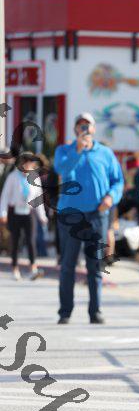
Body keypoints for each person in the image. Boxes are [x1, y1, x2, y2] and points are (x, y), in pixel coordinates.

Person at [54, 112, 124, 324]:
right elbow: (62, 169)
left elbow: (118, 181)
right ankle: (65, 312)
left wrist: (111, 197)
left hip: (96, 215)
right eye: (80, 125)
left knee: (95, 265)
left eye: (87, 125)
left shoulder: (105, 153)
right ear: (75, 129)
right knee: (68, 265)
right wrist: (77, 149)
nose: (84, 128)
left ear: (94, 129)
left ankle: (95, 311)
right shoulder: (64, 150)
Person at [0, 152, 48, 280]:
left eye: (30, 162)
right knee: (15, 241)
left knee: (31, 240)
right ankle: (15, 268)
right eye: (25, 162)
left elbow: (38, 199)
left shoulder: (35, 177)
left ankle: (33, 268)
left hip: (29, 212)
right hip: (15, 212)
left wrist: (42, 216)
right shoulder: (13, 177)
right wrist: (3, 213)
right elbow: (5, 196)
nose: (27, 165)